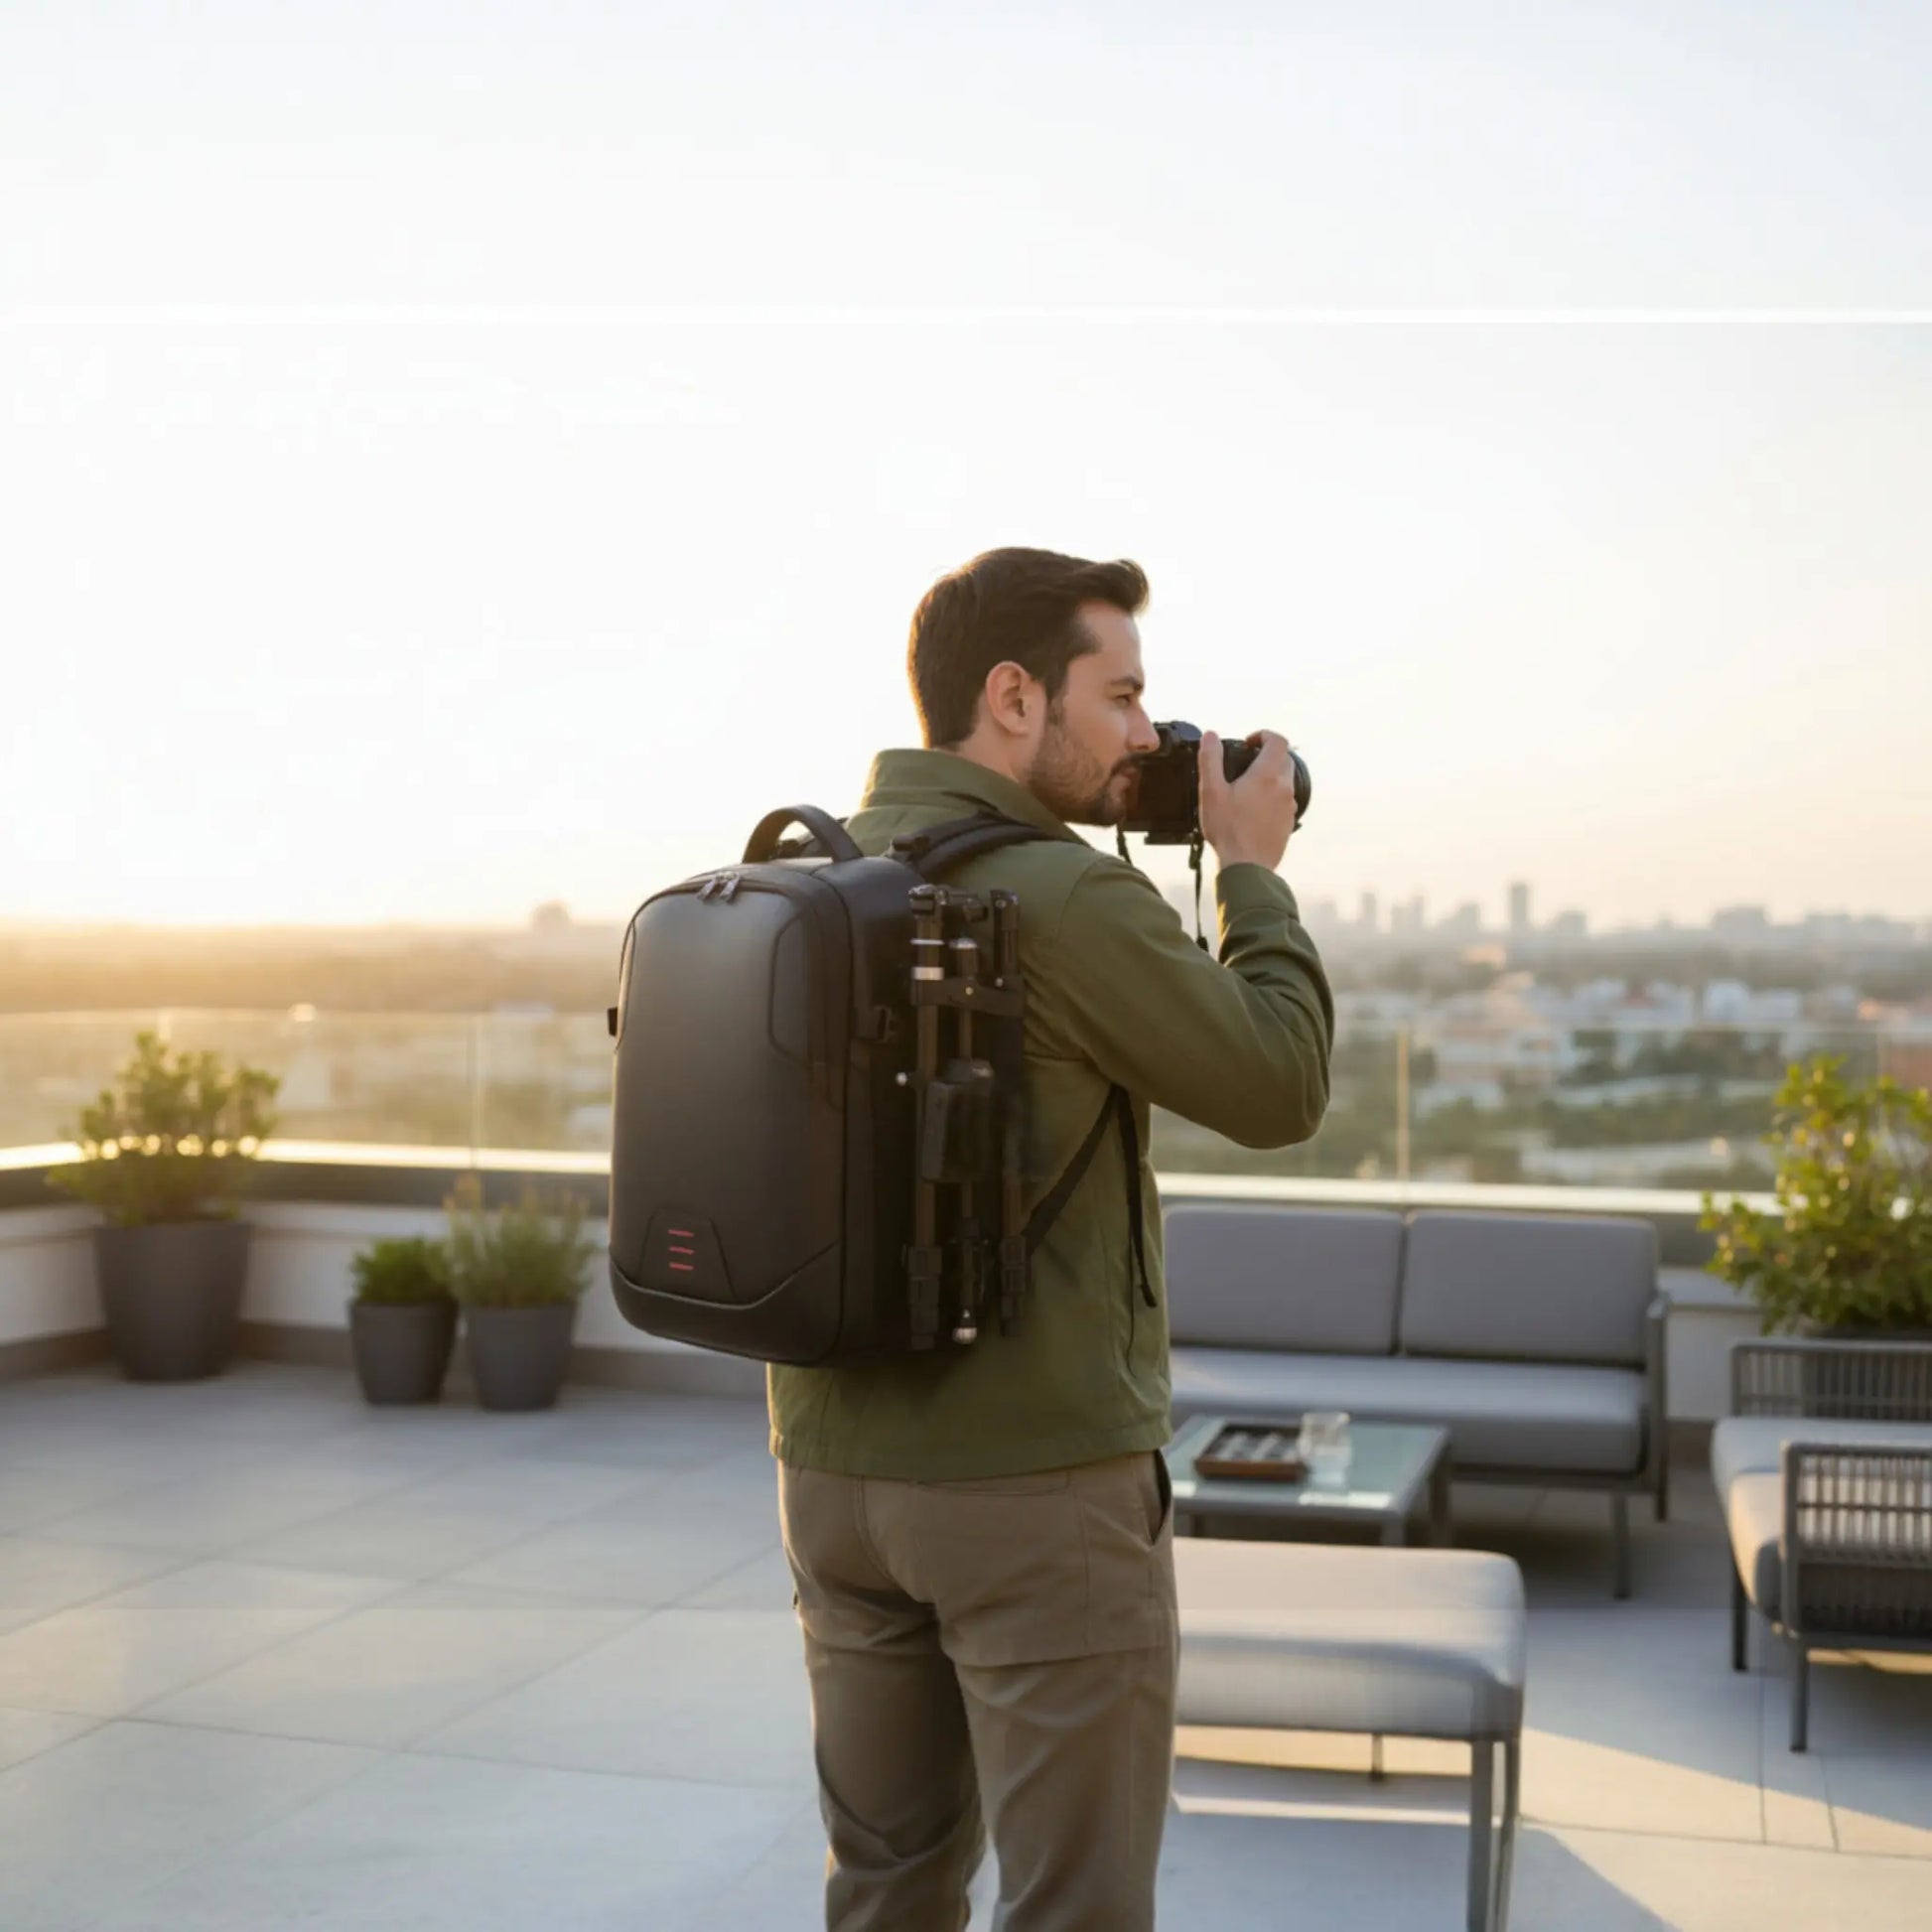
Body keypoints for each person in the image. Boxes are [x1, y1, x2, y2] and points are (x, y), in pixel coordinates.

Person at [770, 546, 1334, 1930]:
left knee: (886, 1884)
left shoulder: (827, 874)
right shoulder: (1067, 896)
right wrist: (1248, 873)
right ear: (1013, 697)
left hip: (830, 1473)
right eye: (1124, 695)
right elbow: (1278, 1086)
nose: (1145, 735)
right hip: (1033, 1491)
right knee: (1074, 1905)